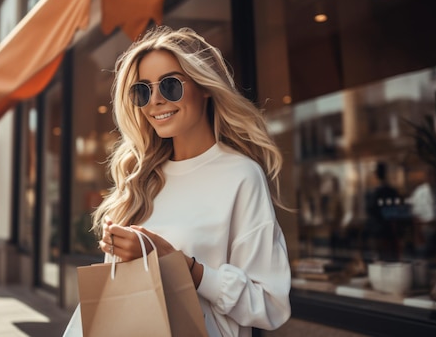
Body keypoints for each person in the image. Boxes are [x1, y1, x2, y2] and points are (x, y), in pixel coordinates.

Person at [62, 26, 291, 336]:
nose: (154, 101)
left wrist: (184, 266)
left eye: (169, 85)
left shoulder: (240, 176)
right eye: (142, 90)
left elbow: (270, 305)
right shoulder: (139, 180)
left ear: (205, 86)